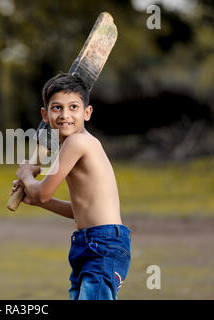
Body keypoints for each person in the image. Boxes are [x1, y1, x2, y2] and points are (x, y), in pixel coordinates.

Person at [10, 72, 132, 300]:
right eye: (57, 108)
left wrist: (27, 175)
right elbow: (77, 211)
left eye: (73, 107)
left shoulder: (77, 143)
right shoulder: (73, 145)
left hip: (103, 244)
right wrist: (34, 199)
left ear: (87, 112)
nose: (65, 115)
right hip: (89, 242)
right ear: (45, 115)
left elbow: (44, 192)